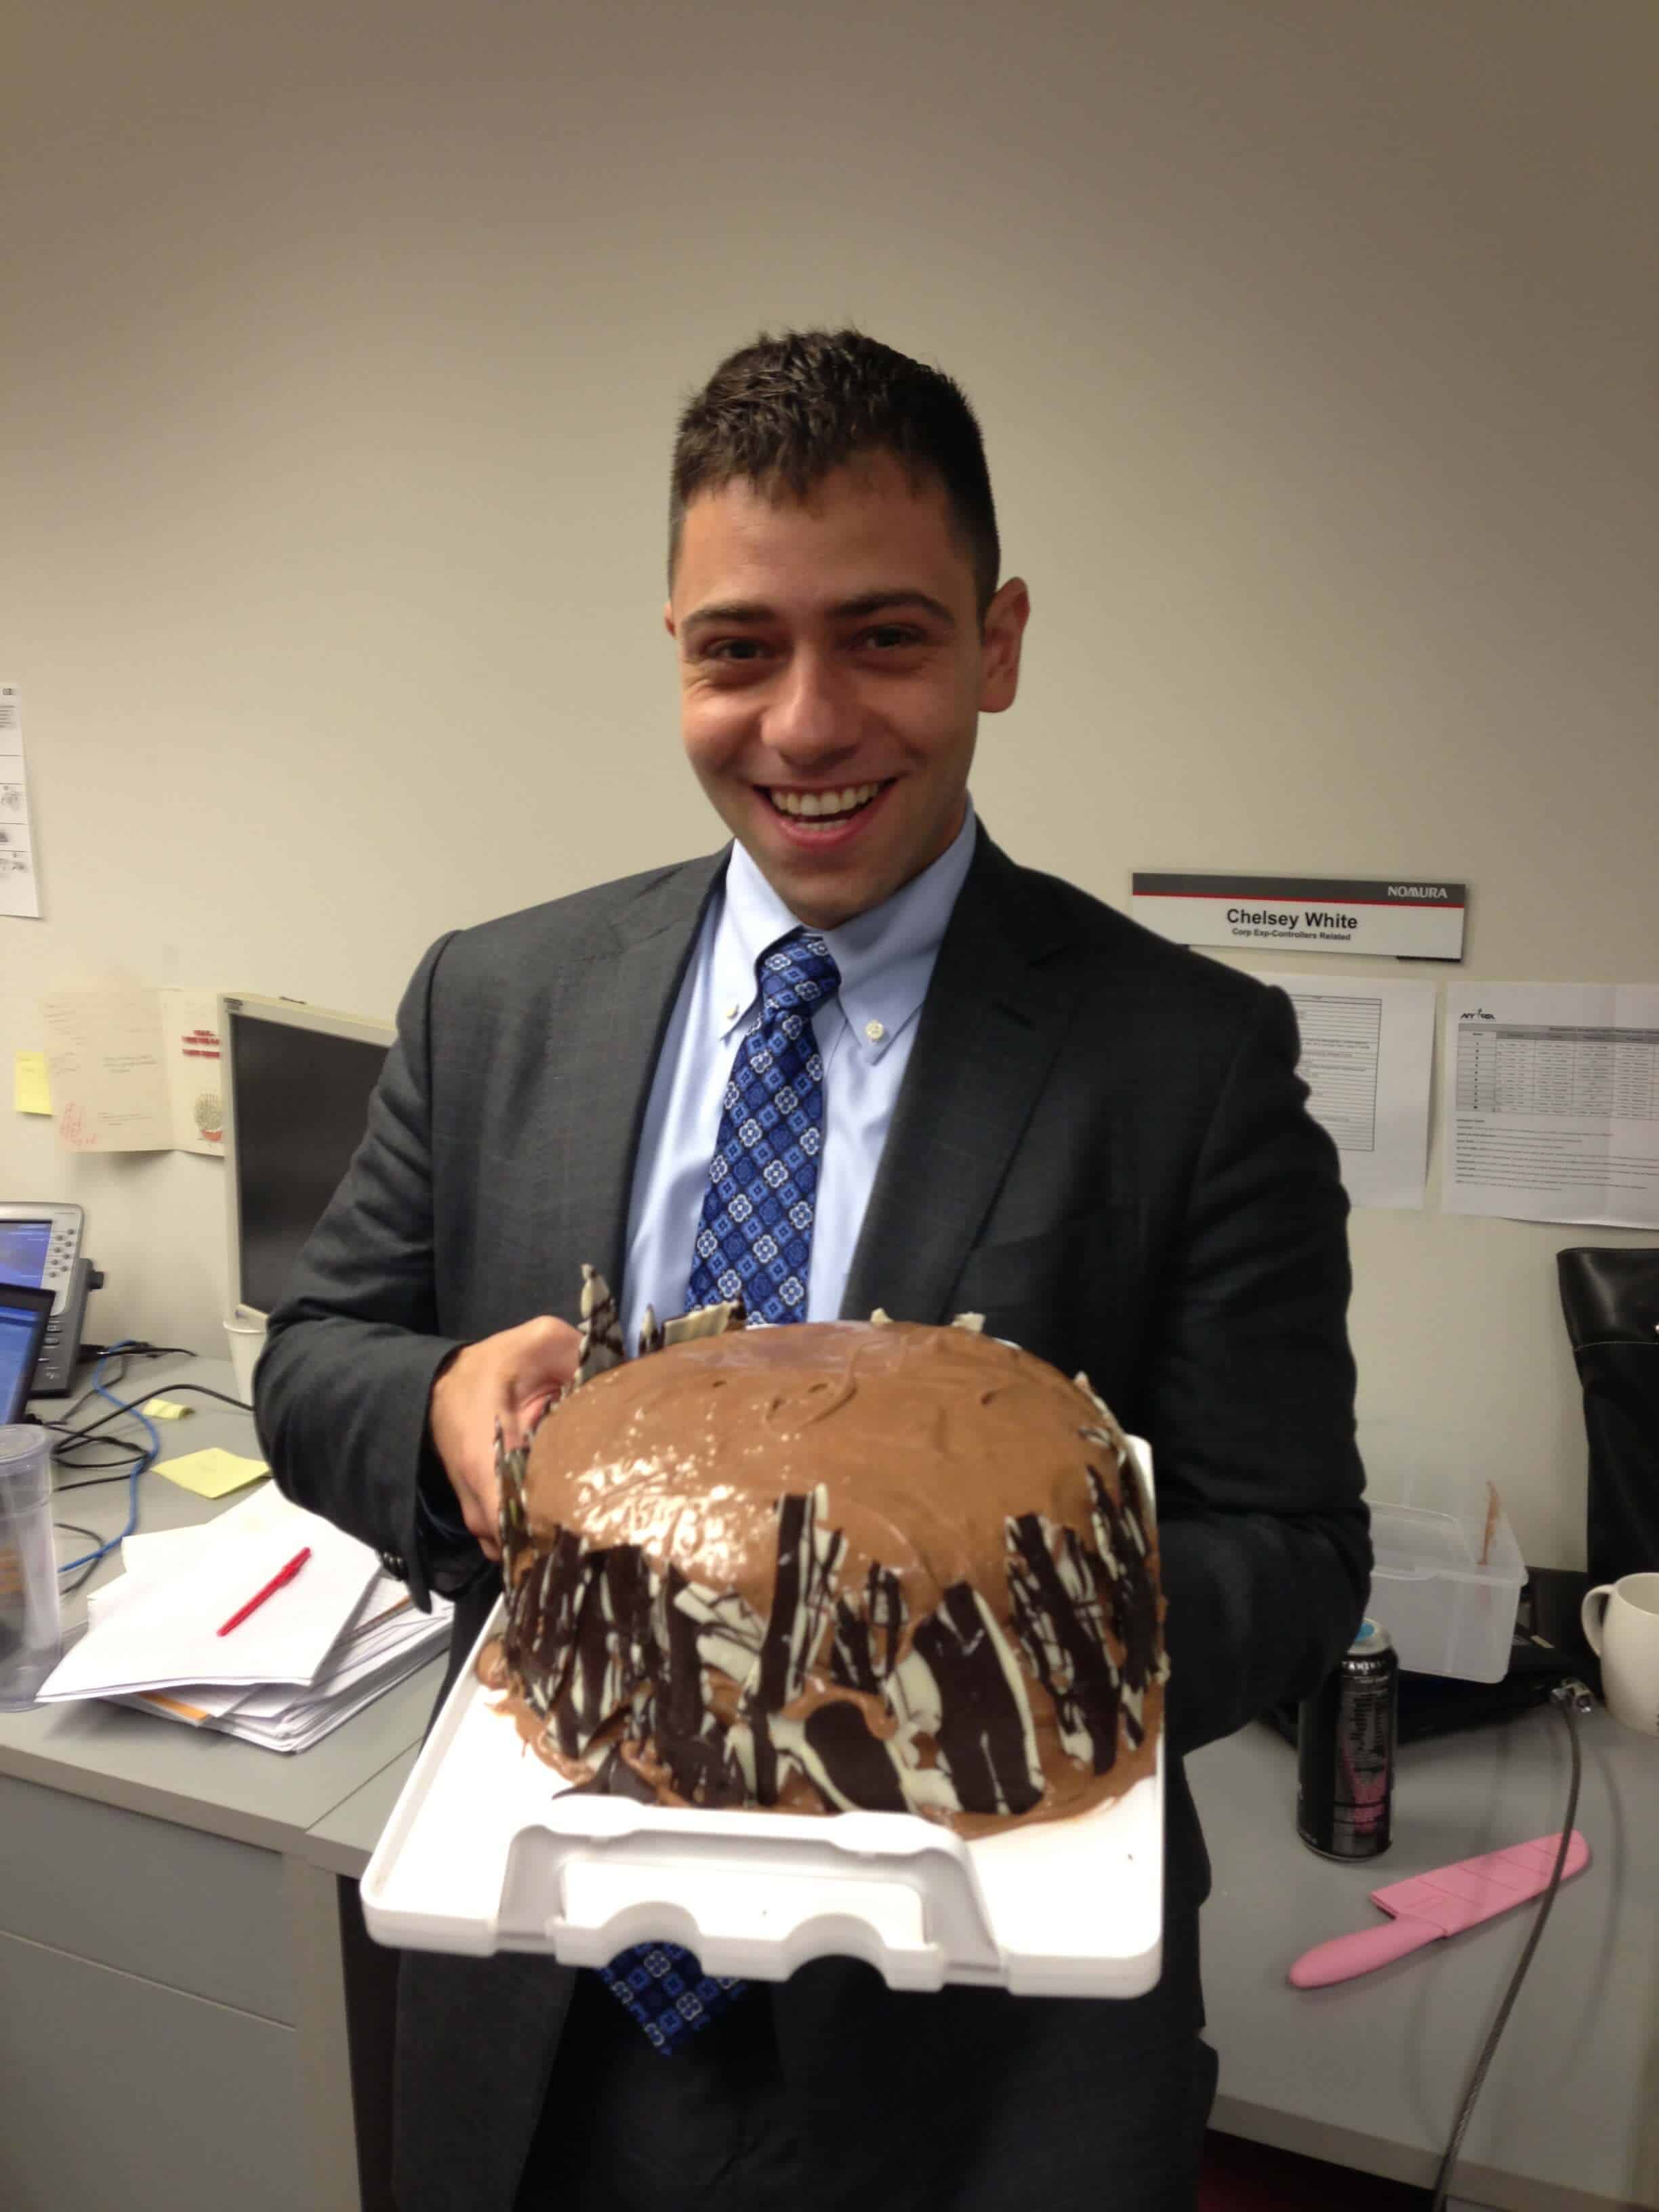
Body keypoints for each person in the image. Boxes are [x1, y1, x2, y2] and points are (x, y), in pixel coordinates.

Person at [257, 328, 1369, 2212]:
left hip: (983, 2057)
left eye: (888, 637)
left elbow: (1297, 1551)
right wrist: (437, 1402)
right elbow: (316, 1360)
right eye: (738, 650)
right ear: (677, 652)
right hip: (551, 2006)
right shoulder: (496, 997)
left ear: (997, 643)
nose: (806, 725)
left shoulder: (1188, 1060)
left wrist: (952, 1627)